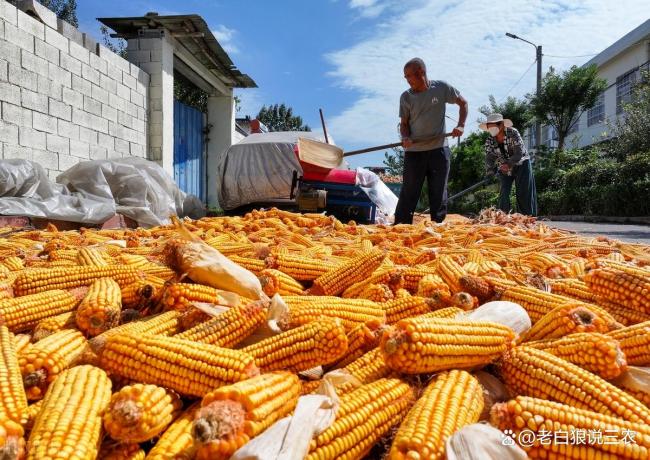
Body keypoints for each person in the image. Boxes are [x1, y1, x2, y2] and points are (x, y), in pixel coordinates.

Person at [394, 58, 467, 224]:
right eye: (405, 77)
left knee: (438, 192)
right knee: (409, 192)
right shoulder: (406, 97)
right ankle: (400, 227)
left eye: (409, 76)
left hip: (439, 150)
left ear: (421, 72)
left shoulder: (441, 88)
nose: (407, 80)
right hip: (414, 152)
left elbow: (463, 103)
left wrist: (461, 125)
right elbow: (404, 124)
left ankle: (437, 227)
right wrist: (405, 137)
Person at [480, 113, 537, 216]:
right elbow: (489, 157)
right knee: (504, 192)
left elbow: (518, 153)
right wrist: (490, 170)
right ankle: (502, 216)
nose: (491, 128)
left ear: (501, 125)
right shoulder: (489, 140)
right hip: (504, 167)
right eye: (489, 126)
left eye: (493, 126)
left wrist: (509, 164)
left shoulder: (513, 132)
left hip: (521, 163)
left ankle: (527, 217)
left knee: (523, 192)